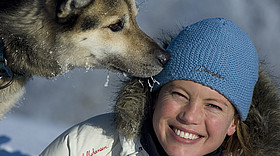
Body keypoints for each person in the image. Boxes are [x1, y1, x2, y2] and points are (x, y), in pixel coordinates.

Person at [40, 18, 280, 156]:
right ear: (155, 96)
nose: (190, 116)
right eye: (179, 94)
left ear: (234, 123)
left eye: (214, 106)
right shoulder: (89, 145)